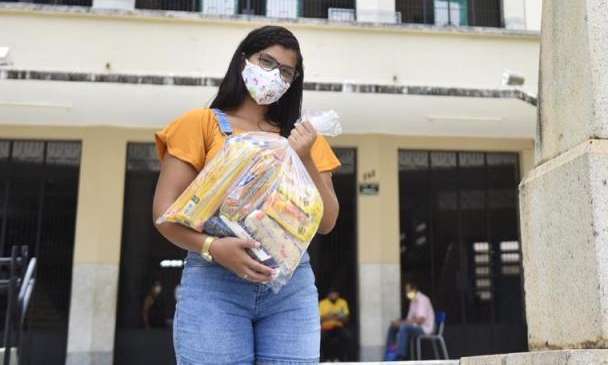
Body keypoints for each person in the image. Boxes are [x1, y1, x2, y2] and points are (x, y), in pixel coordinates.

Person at [153, 25, 342, 364]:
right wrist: (213, 247)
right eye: (265, 62)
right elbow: (164, 215)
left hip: (290, 287)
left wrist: (306, 156)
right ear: (244, 61)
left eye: (285, 71)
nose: (274, 76)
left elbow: (326, 222)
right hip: (215, 283)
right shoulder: (199, 124)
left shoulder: (304, 137)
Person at [384, 281, 434, 361]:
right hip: (414, 327)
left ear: (414, 289)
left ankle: (400, 356)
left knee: (404, 327)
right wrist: (399, 322)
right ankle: (390, 353)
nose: (407, 293)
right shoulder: (413, 301)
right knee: (393, 326)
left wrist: (402, 323)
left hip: (425, 329)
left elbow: (420, 320)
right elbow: (409, 319)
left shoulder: (422, 299)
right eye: (406, 291)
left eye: (408, 291)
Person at [318, 288, 351, 361]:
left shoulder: (342, 302)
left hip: (338, 327)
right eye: (332, 293)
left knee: (346, 336)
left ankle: (341, 359)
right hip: (326, 327)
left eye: (335, 293)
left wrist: (331, 316)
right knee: (321, 338)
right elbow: (319, 319)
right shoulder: (322, 303)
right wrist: (334, 316)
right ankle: (324, 359)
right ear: (328, 294)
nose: (334, 295)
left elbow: (346, 319)